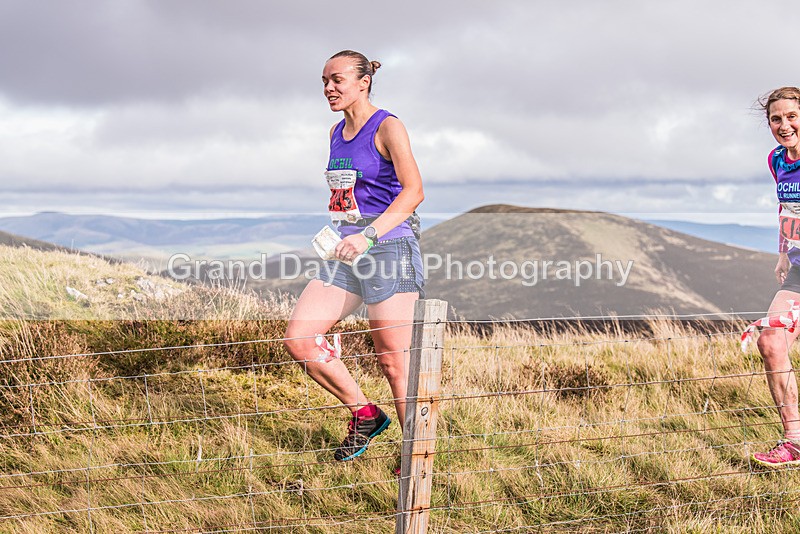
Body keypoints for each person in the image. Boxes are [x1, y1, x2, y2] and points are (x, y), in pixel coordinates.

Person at [283, 50, 425, 463]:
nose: (329, 88)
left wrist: (367, 235)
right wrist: (343, 233)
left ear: (363, 82)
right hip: (345, 251)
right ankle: (365, 413)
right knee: (301, 338)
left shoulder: (389, 126)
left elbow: (414, 192)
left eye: (338, 80)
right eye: (324, 81)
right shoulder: (334, 132)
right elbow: (348, 196)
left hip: (389, 248)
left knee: (393, 363)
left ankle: (416, 455)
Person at [753, 86, 800, 467]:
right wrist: (782, 252)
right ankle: (795, 442)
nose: (784, 126)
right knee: (770, 340)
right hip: (798, 268)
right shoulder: (777, 160)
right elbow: (785, 207)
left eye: (791, 116)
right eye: (776, 119)